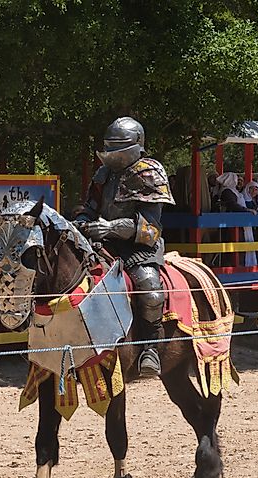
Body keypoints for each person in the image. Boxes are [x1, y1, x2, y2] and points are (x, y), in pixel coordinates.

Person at [75, 116, 174, 378]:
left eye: (119, 144)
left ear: (137, 143)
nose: (113, 151)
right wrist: (81, 223)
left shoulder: (148, 172)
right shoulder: (104, 173)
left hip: (139, 247)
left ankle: (150, 348)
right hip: (101, 243)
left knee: (150, 289)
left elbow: (149, 224)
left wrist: (110, 227)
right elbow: (91, 208)